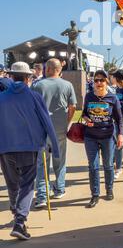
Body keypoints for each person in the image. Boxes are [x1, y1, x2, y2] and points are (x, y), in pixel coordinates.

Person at [0, 62, 59, 240]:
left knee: (12, 184)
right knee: (26, 185)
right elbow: (46, 122)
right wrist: (54, 147)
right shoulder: (34, 97)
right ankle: (20, 220)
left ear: (11, 76)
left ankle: (16, 213)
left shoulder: (2, 97)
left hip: (5, 148)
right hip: (29, 147)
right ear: (28, 78)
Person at [32, 58, 77, 207]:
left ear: (49, 69)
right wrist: (67, 123)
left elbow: (32, 107)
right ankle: (59, 188)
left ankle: (42, 195)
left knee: (42, 163)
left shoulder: (38, 85)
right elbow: (72, 107)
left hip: (42, 129)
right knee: (60, 160)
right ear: (59, 70)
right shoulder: (67, 85)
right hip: (59, 129)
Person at [82, 69, 123, 208]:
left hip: (107, 136)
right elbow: (83, 114)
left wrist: (120, 135)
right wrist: (87, 119)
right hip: (90, 136)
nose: (99, 83)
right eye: (96, 80)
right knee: (93, 167)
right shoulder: (88, 96)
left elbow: (119, 119)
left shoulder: (113, 98)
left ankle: (109, 189)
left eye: (102, 80)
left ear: (106, 82)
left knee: (108, 165)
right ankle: (95, 195)